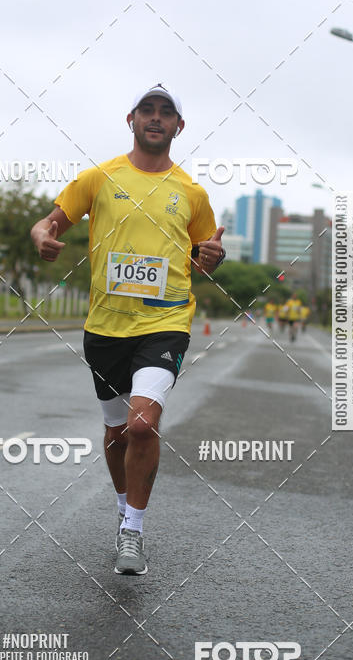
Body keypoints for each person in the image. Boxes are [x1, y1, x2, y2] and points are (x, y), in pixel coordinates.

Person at [31, 84, 225, 574]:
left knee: (143, 425)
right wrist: (43, 236)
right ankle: (124, 509)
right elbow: (49, 223)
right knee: (117, 431)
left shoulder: (192, 193)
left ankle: (133, 532)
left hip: (165, 322)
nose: (155, 118)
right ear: (131, 120)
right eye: (147, 110)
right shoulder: (98, 179)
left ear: (179, 127)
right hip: (105, 327)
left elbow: (206, 259)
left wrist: (213, 257)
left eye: (166, 113)